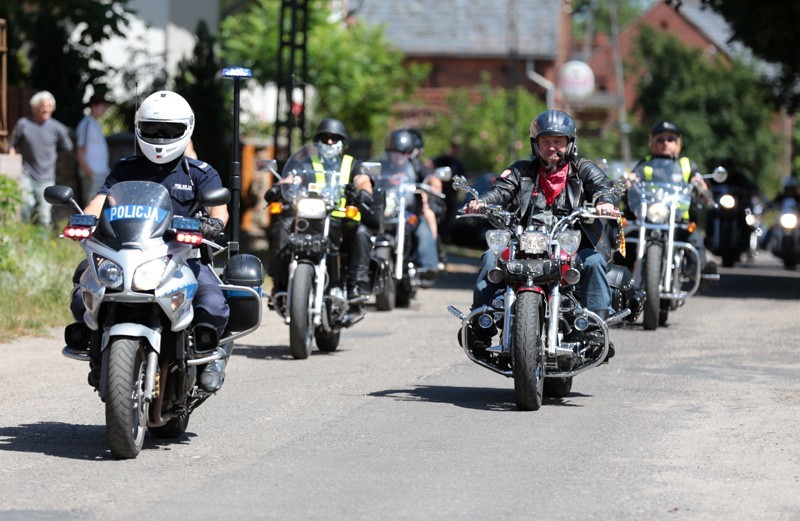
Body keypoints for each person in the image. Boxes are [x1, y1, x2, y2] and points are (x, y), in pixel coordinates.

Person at [71, 90, 230, 392]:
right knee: (84, 293)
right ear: (139, 128)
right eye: (152, 129)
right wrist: (83, 218)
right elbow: (101, 199)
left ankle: (208, 357)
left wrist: (213, 224)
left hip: (183, 257)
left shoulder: (200, 173)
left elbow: (220, 210)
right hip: (128, 254)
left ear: (186, 129)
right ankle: (96, 352)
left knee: (213, 303)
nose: (160, 137)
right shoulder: (126, 168)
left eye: (169, 130)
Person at [465, 109, 619, 355]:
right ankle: (479, 326)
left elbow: (602, 187)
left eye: (558, 141)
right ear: (535, 144)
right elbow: (502, 190)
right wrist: (483, 201)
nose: (551, 147)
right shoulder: (522, 171)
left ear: (569, 144)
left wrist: (605, 201)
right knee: (489, 258)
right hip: (527, 244)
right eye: (545, 141)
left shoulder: (583, 169)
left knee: (594, 262)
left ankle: (595, 331)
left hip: (571, 244)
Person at [265, 118, 376, 319]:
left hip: (340, 219)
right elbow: (293, 177)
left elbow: (363, 180)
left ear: (343, 142)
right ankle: (279, 285)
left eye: (334, 138)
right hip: (311, 218)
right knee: (282, 227)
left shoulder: (351, 164)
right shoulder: (307, 163)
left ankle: (356, 288)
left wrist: (363, 192)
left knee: (361, 232)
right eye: (325, 138)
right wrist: (279, 188)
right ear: (317, 141)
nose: (330, 142)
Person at [628, 120, 717, 275]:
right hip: (650, 219)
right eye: (660, 139)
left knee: (695, 241)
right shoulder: (645, 164)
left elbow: (703, 186)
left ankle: (702, 273)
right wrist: (629, 181)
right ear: (652, 142)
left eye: (670, 139)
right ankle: (619, 282)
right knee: (626, 243)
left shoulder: (687, 164)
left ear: (678, 143)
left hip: (679, 220)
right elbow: (631, 179)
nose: (665, 143)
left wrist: (700, 186)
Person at [9, 90, 73, 226]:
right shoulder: (23, 124)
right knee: (26, 203)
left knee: (44, 214)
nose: (46, 109)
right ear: (35, 108)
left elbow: (67, 147)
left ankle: (40, 241)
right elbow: (13, 144)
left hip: (47, 176)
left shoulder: (57, 128)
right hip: (26, 173)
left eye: (49, 106)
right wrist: (12, 159)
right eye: (42, 106)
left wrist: (52, 156)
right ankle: (23, 234)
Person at [385, 128, 440, 280]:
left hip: (408, 212)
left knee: (422, 224)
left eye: (403, 152)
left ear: (409, 152)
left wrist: (434, 184)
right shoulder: (384, 166)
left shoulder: (416, 166)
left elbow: (430, 177)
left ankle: (429, 265)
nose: (398, 156)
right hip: (388, 212)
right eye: (395, 152)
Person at [76, 91, 111, 204]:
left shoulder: (96, 124)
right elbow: (80, 152)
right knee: (91, 206)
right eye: (103, 106)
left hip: (101, 172)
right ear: (94, 106)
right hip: (93, 174)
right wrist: (90, 174)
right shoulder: (86, 124)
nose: (105, 109)